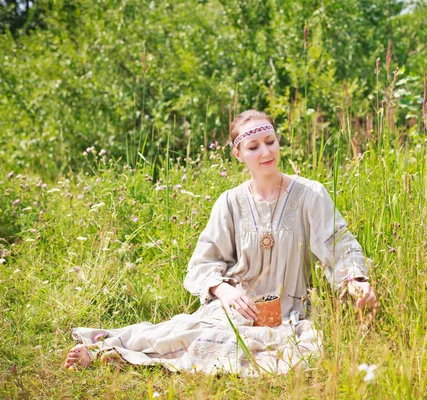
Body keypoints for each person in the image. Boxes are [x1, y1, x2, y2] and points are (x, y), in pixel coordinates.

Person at [64, 110, 376, 375]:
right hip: (236, 308)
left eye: (270, 142)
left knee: (293, 352)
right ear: (238, 154)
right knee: (188, 332)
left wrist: (356, 281)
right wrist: (222, 289)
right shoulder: (230, 202)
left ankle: (119, 357)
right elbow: (203, 262)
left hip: (289, 313)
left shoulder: (311, 194)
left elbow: (338, 244)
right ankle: (104, 348)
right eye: (253, 146)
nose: (266, 153)